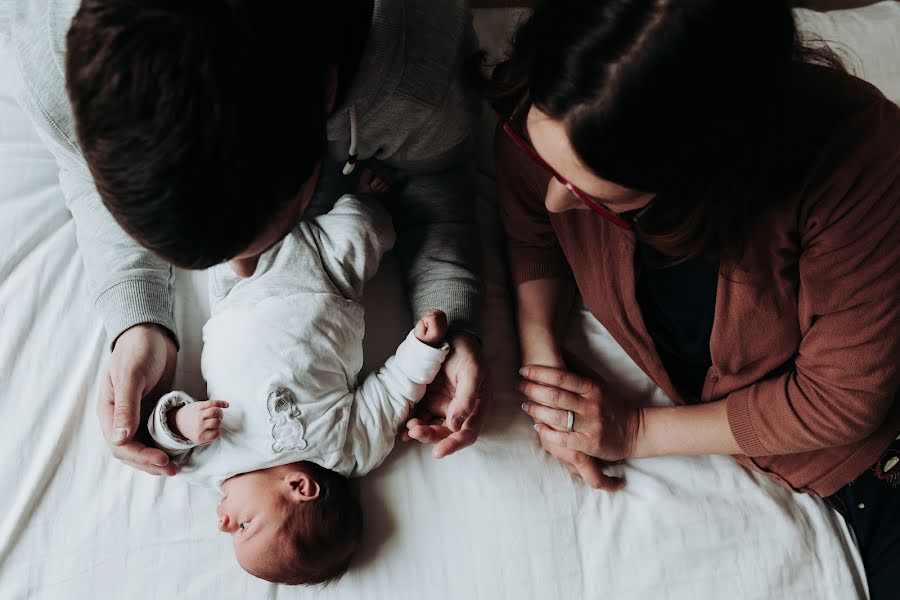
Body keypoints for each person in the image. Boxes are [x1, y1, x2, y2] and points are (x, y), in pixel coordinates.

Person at [492, 1, 899, 597]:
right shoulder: (566, 98)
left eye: (598, 199)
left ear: (704, 177)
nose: (557, 200)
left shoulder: (861, 162)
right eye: (544, 160)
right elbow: (532, 223)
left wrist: (633, 433)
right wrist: (541, 355)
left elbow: (841, 400)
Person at [12, 0, 488, 478]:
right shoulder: (45, 59)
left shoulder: (419, 67)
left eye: (255, 246)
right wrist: (137, 320)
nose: (244, 273)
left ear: (325, 96)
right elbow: (81, 169)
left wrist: (453, 318)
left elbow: (437, 173)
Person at [146, 186, 450, 585]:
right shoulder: (349, 451)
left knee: (224, 223)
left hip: (240, 286)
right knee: (367, 228)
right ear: (300, 487)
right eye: (244, 527)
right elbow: (392, 394)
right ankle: (360, 190)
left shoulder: (213, 466)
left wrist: (182, 424)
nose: (222, 523)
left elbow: (159, 440)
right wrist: (424, 349)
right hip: (327, 278)